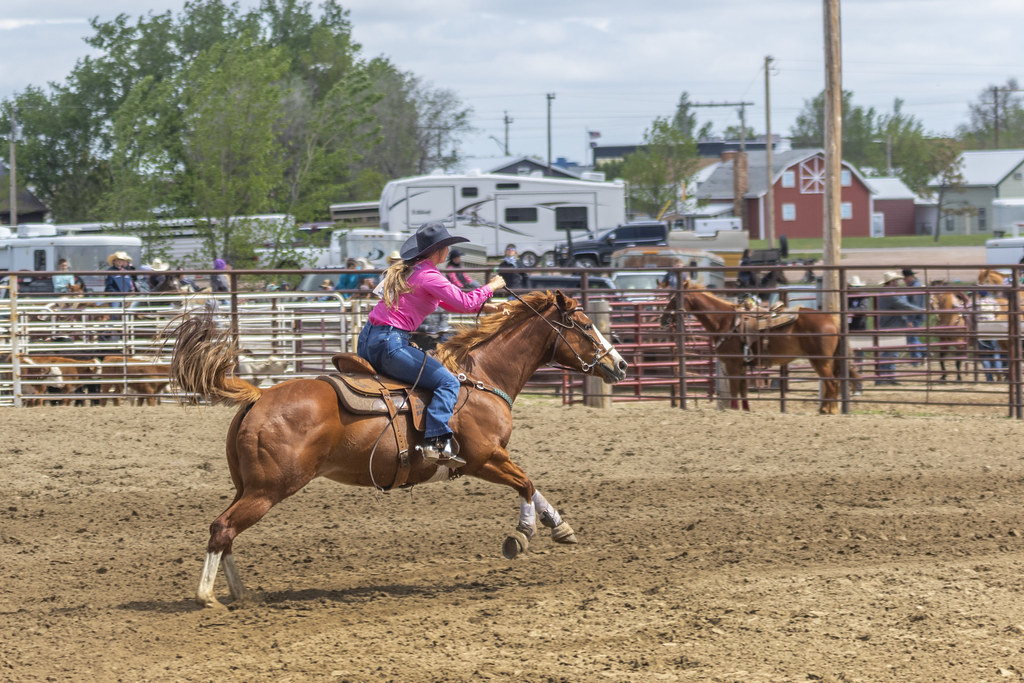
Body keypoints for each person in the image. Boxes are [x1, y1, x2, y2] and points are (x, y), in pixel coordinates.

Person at [356, 222, 505, 468]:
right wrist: (491, 287)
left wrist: (485, 306)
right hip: (391, 343)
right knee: (447, 382)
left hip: (369, 341)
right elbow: (465, 303)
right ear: (439, 251)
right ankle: (434, 441)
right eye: (447, 247)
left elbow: (448, 302)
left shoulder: (411, 272)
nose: (448, 251)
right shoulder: (429, 275)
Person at [875, 271, 925, 385]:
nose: (898, 282)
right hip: (890, 325)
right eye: (896, 281)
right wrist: (920, 310)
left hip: (891, 324)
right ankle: (883, 378)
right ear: (891, 282)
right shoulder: (889, 294)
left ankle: (888, 377)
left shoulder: (888, 292)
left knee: (892, 353)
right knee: (889, 353)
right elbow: (903, 305)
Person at [974, 291, 1004, 382]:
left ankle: (989, 378)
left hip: (981, 328)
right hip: (992, 327)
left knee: (984, 355)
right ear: (988, 294)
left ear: (980, 294)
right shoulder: (993, 302)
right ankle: (998, 371)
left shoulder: (976, 303)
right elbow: (998, 312)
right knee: (995, 352)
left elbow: (971, 313)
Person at [902, 268, 926, 363]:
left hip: (915, 316)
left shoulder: (914, 287)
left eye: (905, 278)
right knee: (912, 337)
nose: (904, 280)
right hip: (917, 315)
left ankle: (917, 358)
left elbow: (914, 305)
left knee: (912, 337)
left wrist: (910, 319)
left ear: (909, 277)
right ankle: (922, 353)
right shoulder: (915, 285)